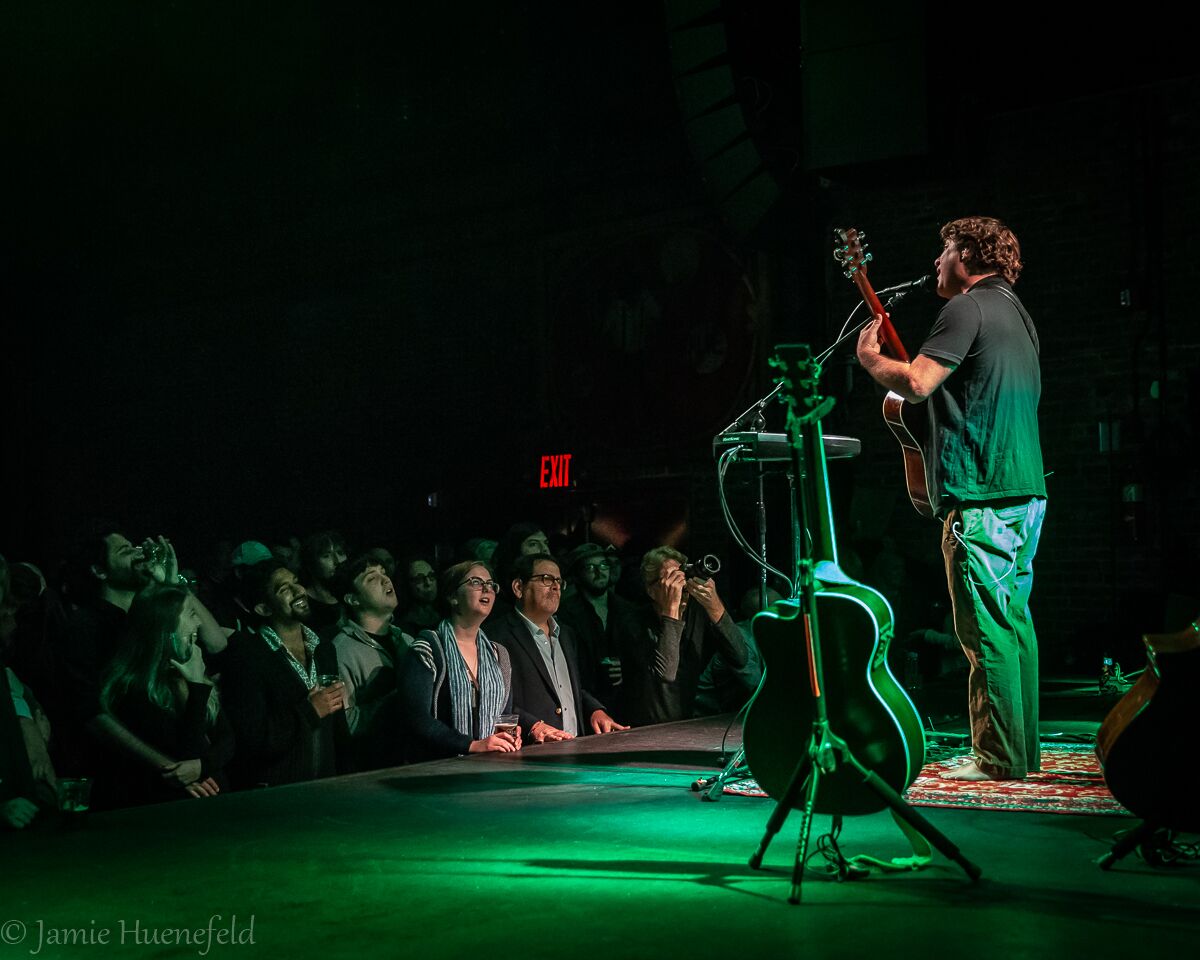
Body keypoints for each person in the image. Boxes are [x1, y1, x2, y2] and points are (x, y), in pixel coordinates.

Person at [856, 215, 1046, 781]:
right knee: (1013, 623)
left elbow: (916, 382)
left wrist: (871, 362)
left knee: (985, 630)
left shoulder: (965, 307)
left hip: (981, 494)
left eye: (943, 252)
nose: (936, 264)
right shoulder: (1018, 314)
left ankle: (998, 760)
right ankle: (1021, 753)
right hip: (1024, 490)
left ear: (965, 252)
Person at [98, 585, 234, 806]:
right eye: (191, 615)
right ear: (167, 626)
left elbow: (228, 740)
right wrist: (197, 687)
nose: (198, 623)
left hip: (212, 804)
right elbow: (187, 752)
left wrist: (203, 765)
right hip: (167, 812)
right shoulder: (134, 691)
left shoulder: (193, 670)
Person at [220, 560, 347, 787]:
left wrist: (346, 779)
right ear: (264, 608)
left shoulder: (323, 647)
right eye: (284, 589)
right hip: (277, 797)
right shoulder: (248, 655)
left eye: (296, 583)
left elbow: (338, 729)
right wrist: (310, 711)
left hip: (327, 790)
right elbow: (252, 740)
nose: (299, 591)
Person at [487, 553, 627, 742]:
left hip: (575, 745)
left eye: (559, 581)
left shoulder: (567, 634)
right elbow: (496, 701)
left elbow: (573, 688)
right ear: (519, 587)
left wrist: (595, 710)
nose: (555, 586)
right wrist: (532, 726)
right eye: (546, 579)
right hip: (532, 752)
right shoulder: (497, 635)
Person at [397, 561, 520, 761]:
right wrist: (471, 745)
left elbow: (504, 715)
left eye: (491, 584)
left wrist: (506, 737)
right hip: (439, 769)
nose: (487, 588)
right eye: (476, 582)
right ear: (453, 597)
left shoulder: (499, 654)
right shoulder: (427, 649)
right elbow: (417, 719)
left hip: (489, 766)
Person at [625, 546, 749, 725]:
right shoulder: (632, 621)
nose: (679, 584)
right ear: (651, 590)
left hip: (689, 724)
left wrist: (714, 605)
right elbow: (665, 674)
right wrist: (671, 610)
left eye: (682, 575)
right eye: (671, 579)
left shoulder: (696, 614)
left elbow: (740, 657)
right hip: (644, 729)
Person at [330, 555, 412, 770]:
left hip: (412, 762)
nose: (385, 580)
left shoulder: (407, 640)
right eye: (371, 578)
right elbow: (346, 723)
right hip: (371, 770)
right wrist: (398, 699)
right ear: (352, 599)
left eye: (384, 573)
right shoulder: (342, 650)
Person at [555, 543, 639, 717]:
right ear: (578, 574)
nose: (599, 571)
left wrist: (626, 667)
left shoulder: (627, 609)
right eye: (590, 567)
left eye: (603, 565)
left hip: (626, 701)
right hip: (584, 701)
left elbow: (640, 654)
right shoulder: (565, 613)